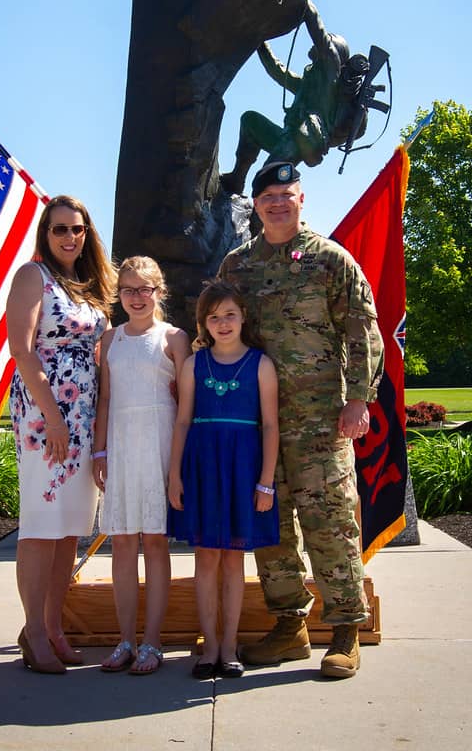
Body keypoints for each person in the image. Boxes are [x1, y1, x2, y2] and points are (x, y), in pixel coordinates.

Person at [218, 162, 384, 679]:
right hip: (257, 423)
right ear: (257, 204)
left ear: (301, 199)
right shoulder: (238, 265)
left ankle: (346, 631)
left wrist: (358, 399)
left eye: (285, 194)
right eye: (266, 196)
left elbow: (363, 330)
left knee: (330, 523)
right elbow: (221, 332)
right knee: (270, 527)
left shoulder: (330, 260)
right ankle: (289, 626)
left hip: (321, 421)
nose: (276, 203)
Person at [6, 195, 117, 674]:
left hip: (84, 415)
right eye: (59, 229)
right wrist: (53, 417)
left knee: (69, 528)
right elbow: (22, 350)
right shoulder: (33, 277)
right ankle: (32, 631)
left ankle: (54, 626)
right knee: (40, 527)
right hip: (45, 414)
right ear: (44, 234)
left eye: (77, 229)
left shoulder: (88, 286)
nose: (69, 237)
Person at [168, 280, 280, 679]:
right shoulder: (194, 365)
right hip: (203, 467)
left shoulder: (261, 365)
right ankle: (209, 646)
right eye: (213, 317)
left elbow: (269, 426)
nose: (223, 323)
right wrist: (175, 475)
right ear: (204, 323)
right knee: (205, 558)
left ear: (243, 317)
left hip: (243, 468)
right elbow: (182, 421)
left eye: (230, 314)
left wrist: (265, 481)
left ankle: (230, 645)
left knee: (233, 559)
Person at [93, 256, 190, 676]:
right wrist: (99, 451)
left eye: (144, 289)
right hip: (120, 447)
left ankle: (153, 641)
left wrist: (177, 467)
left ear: (158, 292)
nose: (136, 297)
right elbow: (105, 399)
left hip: (159, 446)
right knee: (122, 545)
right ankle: (125, 639)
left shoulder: (174, 338)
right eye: (128, 290)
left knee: (154, 543)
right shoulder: (110, 340)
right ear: (120, 295)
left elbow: (186, 403)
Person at [221, 35, 370, 195]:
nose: (314, 45)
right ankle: (236, 180)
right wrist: (260, 42)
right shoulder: (306, 85)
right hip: (286, 136)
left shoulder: (329, 90)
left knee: (266, 179)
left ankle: (258, 220)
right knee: (250, 121)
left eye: (319, 45)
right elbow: (277, 71)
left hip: (300, 141)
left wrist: (308, 13)